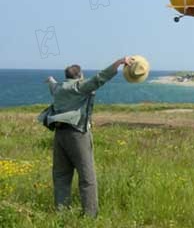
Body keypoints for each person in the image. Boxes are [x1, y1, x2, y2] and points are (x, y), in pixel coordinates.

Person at [45, 57, 133, 217]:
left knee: (61, 176)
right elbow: (101, 78)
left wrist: (50, 79)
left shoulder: (58, 88)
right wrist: (119, 62)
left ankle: (62, 213)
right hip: (77, 135)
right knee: (87, 177)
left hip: (59, 135)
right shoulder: (79, 87)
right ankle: (90, 216)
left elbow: (51, 84)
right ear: (79, 76)